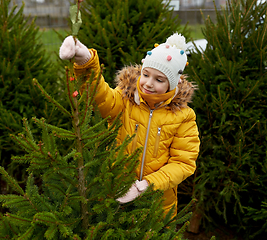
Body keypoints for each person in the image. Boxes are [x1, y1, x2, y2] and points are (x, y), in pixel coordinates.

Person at [59, 33, 200, 217]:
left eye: (159, 79)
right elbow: (101, 97)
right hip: (116, 191)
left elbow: (183, 162)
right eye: (146, 74)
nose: (148, 84)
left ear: (172, 84)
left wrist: (147, 185)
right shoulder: (125, 99)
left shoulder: (183, 117)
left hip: (157, 204)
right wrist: (86, 61)